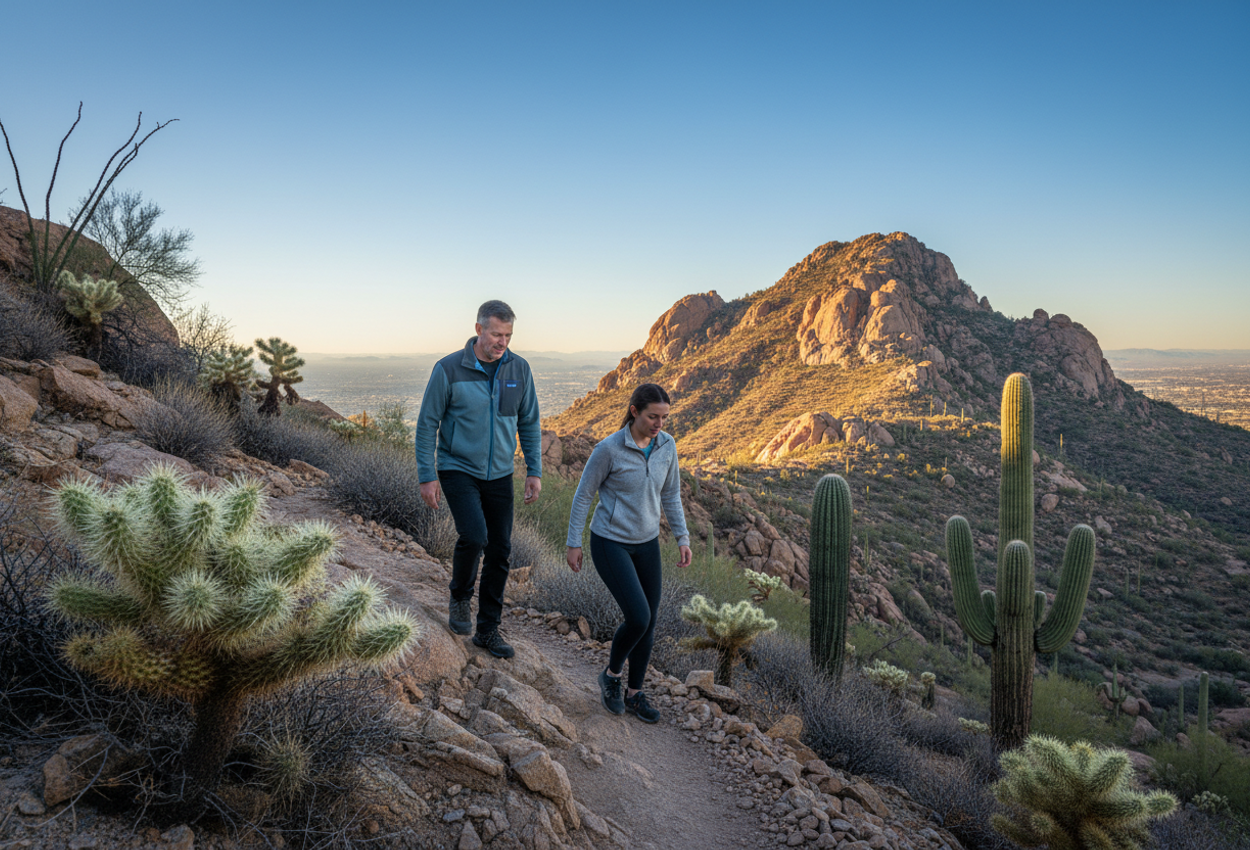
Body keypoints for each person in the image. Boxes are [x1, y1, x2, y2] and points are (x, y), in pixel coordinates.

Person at [416, 300, 542, 658]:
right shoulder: (449, 369)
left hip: (500, 473)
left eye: (508, 335)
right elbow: (427, 425)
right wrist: (428, 475)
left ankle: (488, 629)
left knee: (501, 550)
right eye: (496, 334)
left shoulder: (519, 368)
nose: (502, 342)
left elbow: (528, 422)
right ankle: (459, 596)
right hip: (457, 467)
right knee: (474, 536)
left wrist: (534, 470)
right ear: (479, 330)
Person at [565, 383, 691, 723]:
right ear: (635, 411)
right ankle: (611, 676)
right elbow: (583, 496)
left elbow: (671, 494)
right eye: (653, 416)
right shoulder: (608, 450)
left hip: (647, 543)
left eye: (664, 417)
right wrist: (573, 542)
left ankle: (635, 693)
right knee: (638, 616)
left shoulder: (667, 446)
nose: (659, 424)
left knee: (648, 623)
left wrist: (682, 537)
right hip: (610, 541)